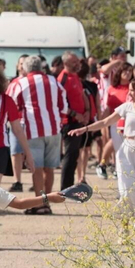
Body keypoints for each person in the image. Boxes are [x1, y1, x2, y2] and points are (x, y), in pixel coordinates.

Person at [69, 76, 135, 217]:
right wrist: (85, 129)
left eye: (132, 90)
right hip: (127, 149)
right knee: (127, 189)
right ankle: (125, 225)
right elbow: (105, 121)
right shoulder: (126, 107)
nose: (129, 93)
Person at [7, 55, 66, 208]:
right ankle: (47, 202)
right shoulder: (54, 81)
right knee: (50, 168)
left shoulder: (21, 83)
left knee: (37, 168)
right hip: (54, 130)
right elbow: (64, 106)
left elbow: (11, 105)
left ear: (25, 68)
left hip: (33, 130)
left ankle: (40, 203)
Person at [58, 53, 93, 193]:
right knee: (70, 155)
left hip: (78, 121)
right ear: (66, 63)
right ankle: (65, 188)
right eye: (74, 61)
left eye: (77, 61)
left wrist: (87, 111)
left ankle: (69, 186)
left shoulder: (75, 76)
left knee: (74, 155)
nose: (77, 63)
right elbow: (60, 102)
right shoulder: (63, 78)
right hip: (70, 122)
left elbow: (81, 95)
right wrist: (75, 114)